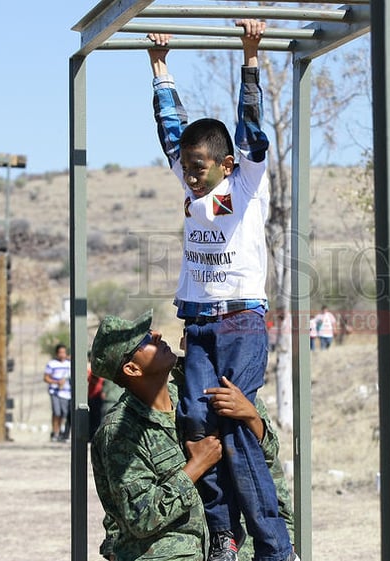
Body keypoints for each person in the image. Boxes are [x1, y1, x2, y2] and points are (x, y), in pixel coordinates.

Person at [148, 21, 294, 561]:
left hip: (240, 323)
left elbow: (250, 124)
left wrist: (250, 54)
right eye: (184, 168)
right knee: (194, 420)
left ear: (226, 165)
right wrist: (160, 68)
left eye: (198, 168)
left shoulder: (246, 181)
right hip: (201, 324)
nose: (188, 177)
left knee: (234, 426)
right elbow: (171, 128)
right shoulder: (188, 171)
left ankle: (275, 547)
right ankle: (223, 534)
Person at [90, 311, 295, 561]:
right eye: (144, 340)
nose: (157, 334)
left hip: (235, 551)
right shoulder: (121, 430)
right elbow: (140, 517)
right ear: (132, 368)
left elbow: (267, 461)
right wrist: (196, 467)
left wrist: (251, 416)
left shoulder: (196, 397)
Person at [43, 343, 71, 443]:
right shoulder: (52, 364)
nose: (62, 354)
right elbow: (46, 378)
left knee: (64, 413)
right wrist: (56, 382)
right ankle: (55, 432)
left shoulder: (69, 364)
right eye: (60, 352)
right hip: (55, 391)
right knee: (56, 412)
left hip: (66, 393)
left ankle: (60, 431)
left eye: (64, 352)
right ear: (56, 353)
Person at [87, 351, 105, 440]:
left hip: (98, 394)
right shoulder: (90, 368)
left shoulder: (100, 367)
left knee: (97, 417)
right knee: (92, 417)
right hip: (92, 395)